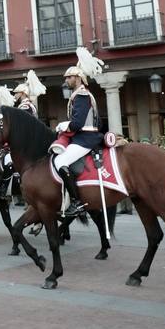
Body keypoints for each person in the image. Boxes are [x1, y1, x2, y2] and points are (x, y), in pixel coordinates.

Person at [51, 48, 107, 220]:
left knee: (60, 161)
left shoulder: (81, 95)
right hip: (84, 137)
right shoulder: (79, 94)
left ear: (78, 78)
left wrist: (62, 125)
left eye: (69, 77)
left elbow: (77, 124)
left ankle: (77, 201)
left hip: (85, 139)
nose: (66, 80)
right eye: (66, 77)